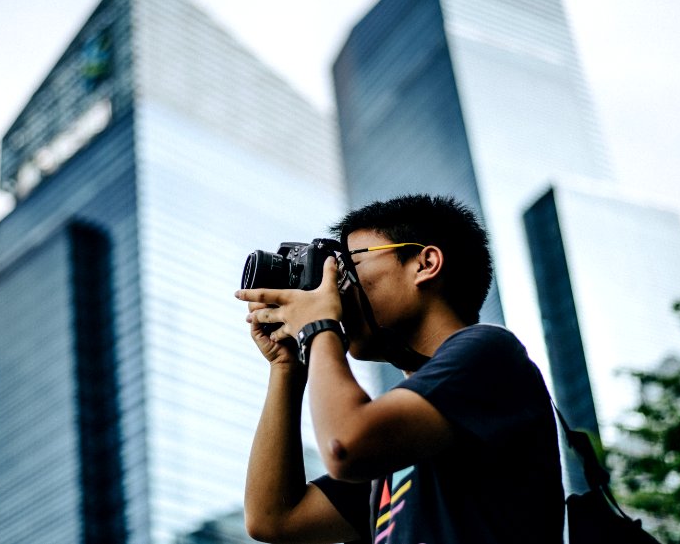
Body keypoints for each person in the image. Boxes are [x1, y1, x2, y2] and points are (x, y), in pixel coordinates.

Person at [236, 194, 564, 544]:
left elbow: (343, 445)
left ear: (425, 263)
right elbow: (274, 519)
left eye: (348, 266)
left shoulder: (490, 353)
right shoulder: (394, 438)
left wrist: (318, 327)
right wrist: (287, 365)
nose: (337, 288)